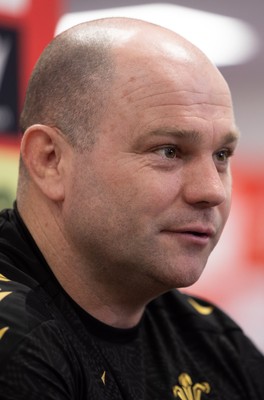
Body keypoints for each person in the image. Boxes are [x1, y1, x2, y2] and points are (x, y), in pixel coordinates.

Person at [0, 17, 263, 399]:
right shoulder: (19, 346)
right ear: (50, 161)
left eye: (222, 155)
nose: (212, 191)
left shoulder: (213, 341)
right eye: (169, 151)